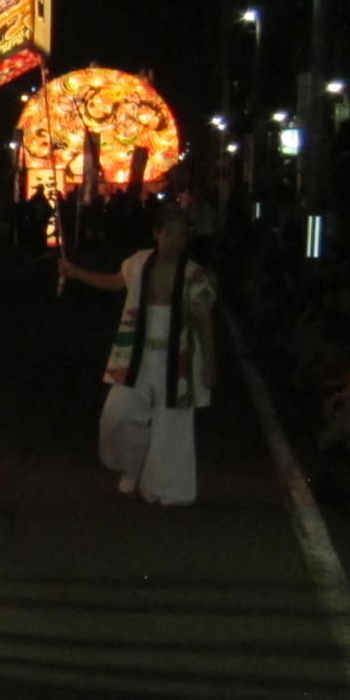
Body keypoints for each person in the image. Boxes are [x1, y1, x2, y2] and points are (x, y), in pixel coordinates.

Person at [62, 205, 216, 506]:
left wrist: (210, 361)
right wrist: (75, 272)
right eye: (170, 233)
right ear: (157, 234)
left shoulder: (193, 273)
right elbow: (114, 281)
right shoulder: (138, 262)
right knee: (116, 417)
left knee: (173, 425)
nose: (175, 240)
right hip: (135, 355)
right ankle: (133, 467)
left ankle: (167, 489)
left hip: (178, 360)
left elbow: (203, 320)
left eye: (181, 235)